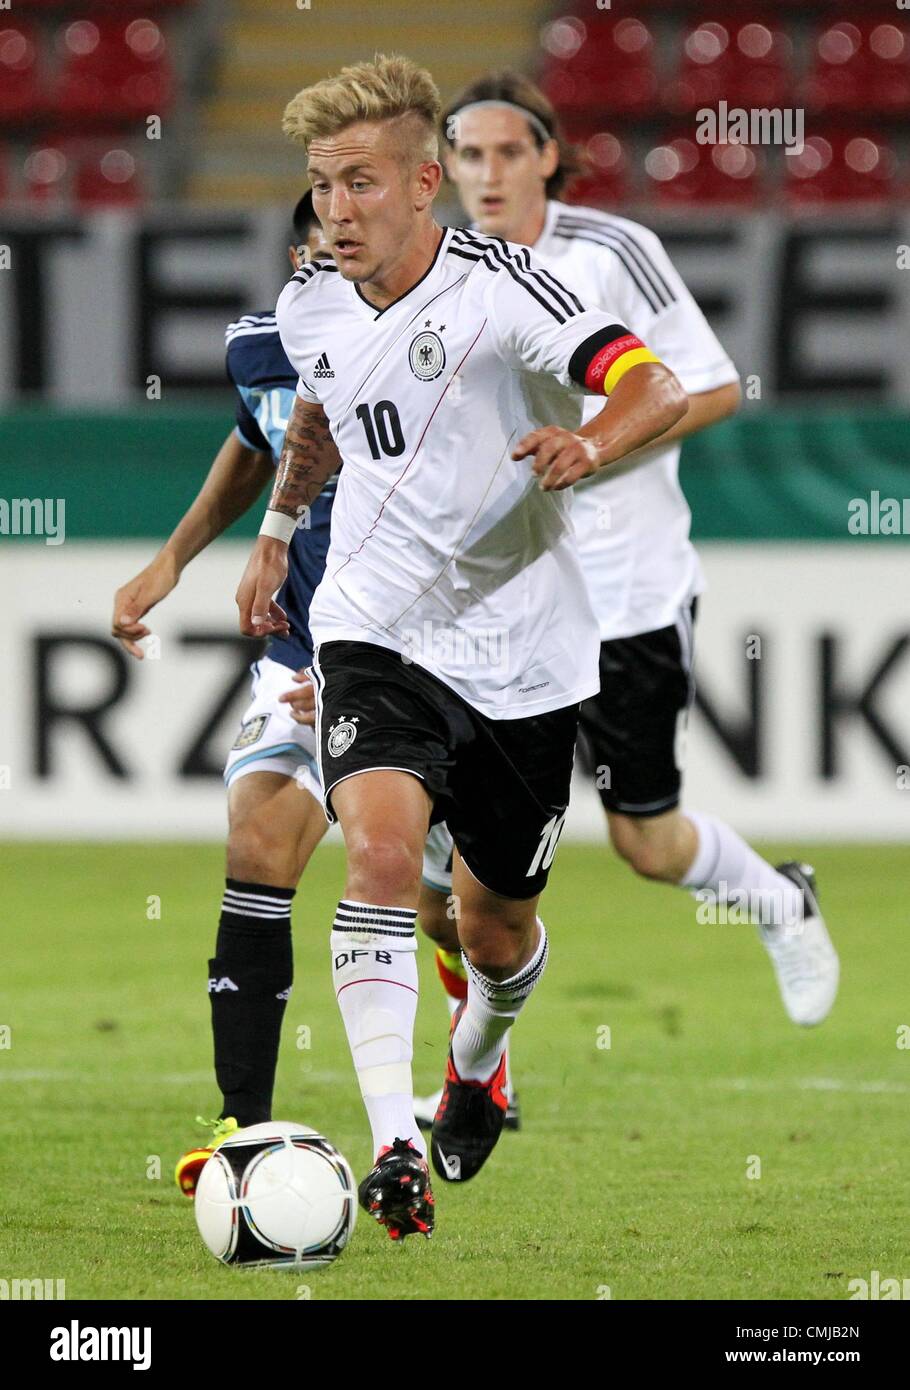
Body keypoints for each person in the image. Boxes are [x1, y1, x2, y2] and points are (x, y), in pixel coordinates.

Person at [235, 53, 687, 1241]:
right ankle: (391, 1142)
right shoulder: (307, 303)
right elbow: (325, 414)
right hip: (375, 626)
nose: (336, 208)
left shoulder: (508, 288)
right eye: (322, 184)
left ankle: (478, 1057)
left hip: (524, 652)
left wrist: (592, 444)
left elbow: (654, 384)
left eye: (361, 183)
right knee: (379, 857)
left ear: (425, 182)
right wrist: (279, 530)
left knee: (490, 924)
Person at [410, 74, 839, 1081]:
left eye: (507, 151)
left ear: (548, 157)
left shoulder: (608, 252)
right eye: (467, 155)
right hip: (491, 606)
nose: (486, 173)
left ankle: (779, 900)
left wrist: (596, 442)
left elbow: (715, 384)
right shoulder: (436, 271)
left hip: (622, 591)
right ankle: (475, 1076)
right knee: (435, 860)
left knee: (644, 842)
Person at [111, 194, 341, 1195]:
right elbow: (258, 444)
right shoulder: (261, 346)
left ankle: (478, 1065)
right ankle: (242, 1133)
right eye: (325, 241)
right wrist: (170, 562)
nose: (344, 255)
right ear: (299, 253)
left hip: (425, 654)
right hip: (300, 645)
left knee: (467, 914)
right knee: (256, 837)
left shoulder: (438, 347)